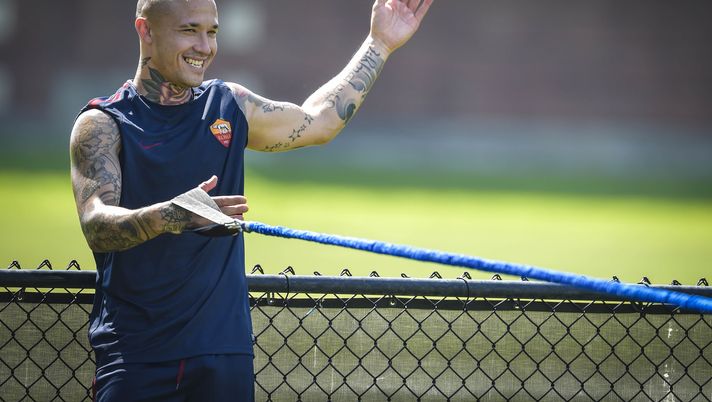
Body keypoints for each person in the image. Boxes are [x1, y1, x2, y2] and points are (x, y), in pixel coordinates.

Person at [69, 0, 433, 400]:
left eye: (212, 32)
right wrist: (170, 215)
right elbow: (96, 225)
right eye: (190, 30)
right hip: (135, 357)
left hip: (224, 354)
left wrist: (379, 43)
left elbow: (320, 121)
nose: (205, 46)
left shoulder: (229, 105)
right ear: (146, 31)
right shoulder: (103, 123)